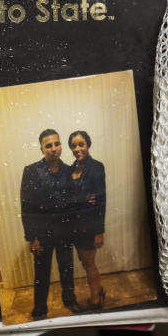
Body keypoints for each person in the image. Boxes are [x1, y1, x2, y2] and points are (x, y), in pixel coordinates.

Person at [21, 129, 85, 320]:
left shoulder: (69, 170)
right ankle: (40, 309)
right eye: (48, 145)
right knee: (42, 273)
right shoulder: (31, 171)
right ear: (42, 148)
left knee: (67, 269)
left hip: (65, 231)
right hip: (42, 234)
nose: (54, 148)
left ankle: (70, 300)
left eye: (57, 144)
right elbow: (27, 206)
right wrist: (31, 238)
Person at [67, 130, 107, 310]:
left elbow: (101, 201)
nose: (77, 148)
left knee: (89, 263)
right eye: (74, 145)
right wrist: (82, 199)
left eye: (81, 144)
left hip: (90, 226)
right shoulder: (70, 169)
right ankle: (98, 289)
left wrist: (100, 231)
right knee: (85, 262)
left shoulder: (97, 167)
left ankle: (96, 299)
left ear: (88, 145)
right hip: (74, 226)